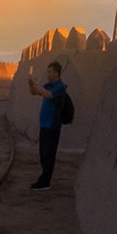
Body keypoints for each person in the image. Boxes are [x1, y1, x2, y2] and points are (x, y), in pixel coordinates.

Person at [24, 60, 69, 190]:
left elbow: (48, 95)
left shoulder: (60, 87)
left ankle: (45, 181)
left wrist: (36, 84)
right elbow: (34, 92)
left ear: (56, 73)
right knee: (43, 154)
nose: (48, 74)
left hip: (52, 126)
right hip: (44, 125)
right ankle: (44, 179)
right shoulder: (48, 85)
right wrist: (31, 84)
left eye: (49, 72)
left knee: (49, 154)